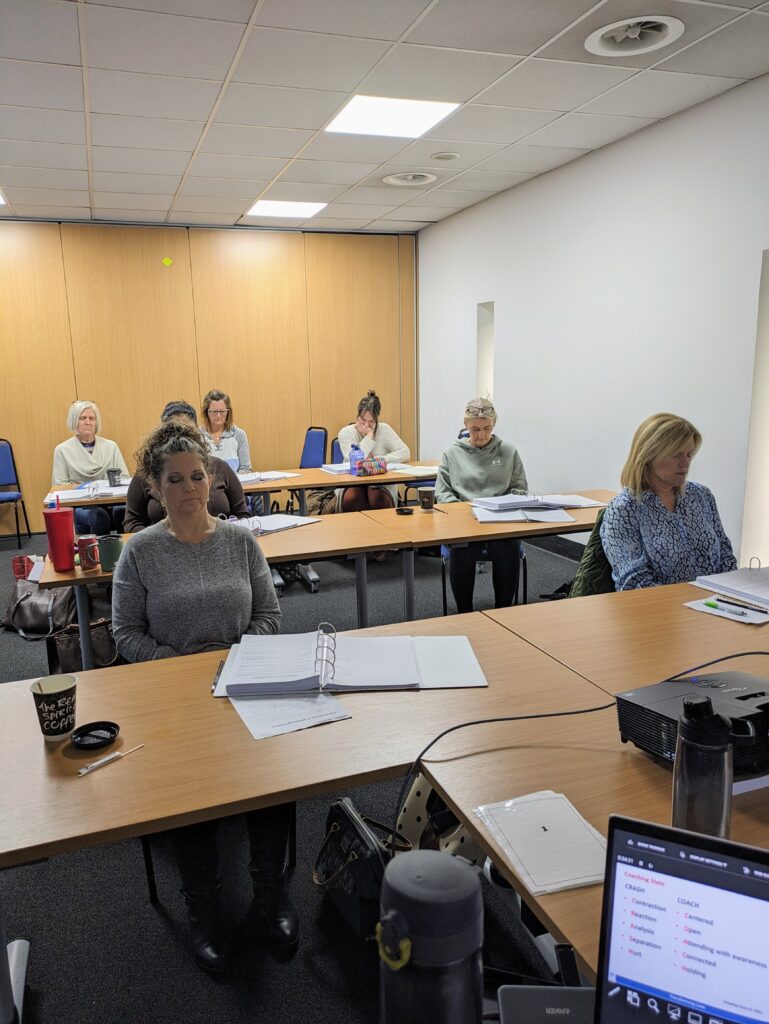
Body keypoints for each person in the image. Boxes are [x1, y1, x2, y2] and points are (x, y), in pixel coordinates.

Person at [112, 420, 295, 973]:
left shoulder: (241, 541)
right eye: (175, 479)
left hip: (243, 678)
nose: (190, 487)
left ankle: (270, 898)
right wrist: (178, 667)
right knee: (187, 789)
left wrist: (236, 661)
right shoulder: (139, 552)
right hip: (174, 690)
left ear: (211, 477)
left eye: (198, 476)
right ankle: (204, 908)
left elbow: (269, 615)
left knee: (275, 771)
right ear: (155, 486)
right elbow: (124, 633)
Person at [600, 412, 737, 591]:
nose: (685, 463)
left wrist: (732, 596)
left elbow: (725, 555)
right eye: (676, 455)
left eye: (689, 454)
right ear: (649, 456)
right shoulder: (624, 509)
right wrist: (690, 605)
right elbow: (633, 581)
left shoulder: (701, 495)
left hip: (714, 605)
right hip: (660, 610)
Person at [435, 398, 527, 613]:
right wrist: (465, 512)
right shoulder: (452, 453)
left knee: (508, 545)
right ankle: (464, 610)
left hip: (499, 520)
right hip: (465, 520)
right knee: (463, 547)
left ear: (494, 424)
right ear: (465, 425)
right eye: (475, 429)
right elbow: (443, 493)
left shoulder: (509, 452)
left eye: (487, 428)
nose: (481, 435)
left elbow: (519, 489)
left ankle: (504, 610)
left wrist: (500, 508)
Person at [124, 400, 249, 531]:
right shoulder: (149, 471)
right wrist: (156, 543)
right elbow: (132, 521)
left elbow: (242, 514)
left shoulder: (220, 467)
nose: (181, 439)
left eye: (198, 477)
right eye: (175, 480)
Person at [52, 400, 129, 535]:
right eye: (82, 418)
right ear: (74, 421)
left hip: (112, 501)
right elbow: (60, 487)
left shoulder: (111, 446)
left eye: (91, 418)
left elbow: (124, 478)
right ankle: (99, 555)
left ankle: (126, 553)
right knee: (98, 516)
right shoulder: (62, 450)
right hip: (81, 506)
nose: (88, 422)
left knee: (123, 511)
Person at [336, 390, 410, 512]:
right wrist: (369, 436)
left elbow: (405, 452)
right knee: (353, 498)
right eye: (362, 420)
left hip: (380, 482)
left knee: (377, 498)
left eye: (371, 422)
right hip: (353, 481)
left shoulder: (384, 429)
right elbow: (354, 461)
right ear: (357, 416)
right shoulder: (346, 433)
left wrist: (380, 460)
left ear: (376, 420)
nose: (366, 425)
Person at [200, 389, 252, 472]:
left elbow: (245, 468)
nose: (218, 415)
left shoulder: (239, 435)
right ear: (206, 412)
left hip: (234, 483)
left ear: (228, 412)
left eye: (222, 411)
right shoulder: (197, 436)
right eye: (214, 411)